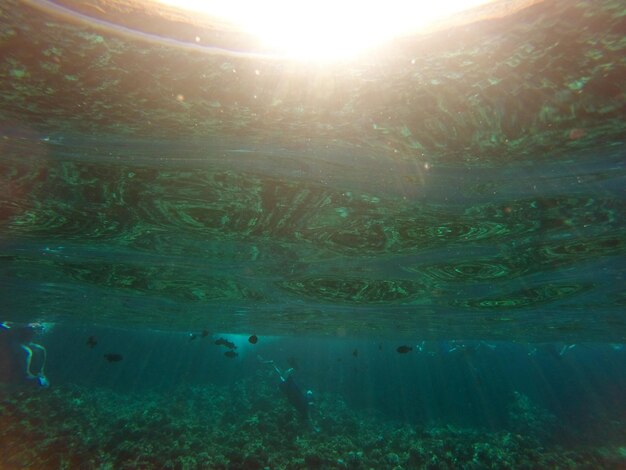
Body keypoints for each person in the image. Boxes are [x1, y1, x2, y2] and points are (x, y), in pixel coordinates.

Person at [258, 356, 317, 428]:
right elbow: (309, 394)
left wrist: (310, 396)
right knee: (280, 377)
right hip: (290, 389)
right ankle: (273, 364)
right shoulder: (305, 407)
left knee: (281, 377)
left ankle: (274, 365)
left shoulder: (305, 408)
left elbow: (309, 393)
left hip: (291, 389)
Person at [0, 322, 49, 388]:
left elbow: (28, 340)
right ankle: (26, 374)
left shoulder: (31, 327)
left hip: (22, 342)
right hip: (10, 342)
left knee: (41, 349)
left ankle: (40, 372)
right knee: (26, 352)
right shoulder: (18, 326)